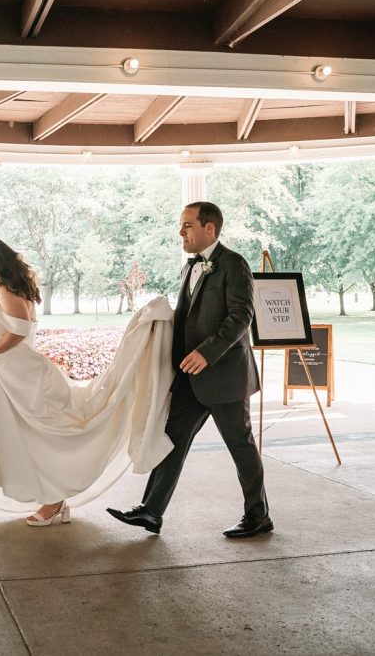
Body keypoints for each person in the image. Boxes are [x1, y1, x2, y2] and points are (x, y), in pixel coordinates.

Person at [0, 236, 177, 526]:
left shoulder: (6, 289)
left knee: (36, 438)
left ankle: (53, 500)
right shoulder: (9, 288)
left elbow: (19, 330)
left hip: (16, 377)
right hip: (6, 378)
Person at [106, 201, 272, 538]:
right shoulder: (189, 267)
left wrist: (207, 353)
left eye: (187, 225)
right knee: (171, 440)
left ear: (209, 228)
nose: (181, 232)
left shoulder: (233, 264)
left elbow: (241, 316)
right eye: (181, 226)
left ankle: (258, 516)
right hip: (189, 379)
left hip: (225, 378)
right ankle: (151, 511)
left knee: (241, 447)